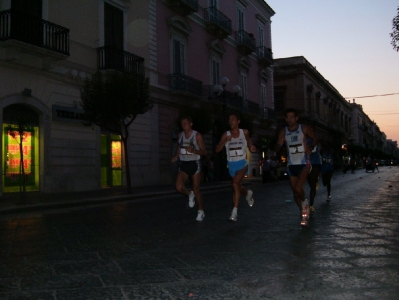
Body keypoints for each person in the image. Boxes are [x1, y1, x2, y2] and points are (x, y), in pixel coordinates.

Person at [274, 108, 317, 227]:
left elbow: (314, 139)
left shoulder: (304, 128)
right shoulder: (283, 131)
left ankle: (305, 205)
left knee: (298, 189)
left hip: (304, 163)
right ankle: (303, 211)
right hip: (291, 164)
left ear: (296, 118)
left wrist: (310, 148)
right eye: (288, 117)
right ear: (285, 119)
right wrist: (278, 145)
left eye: (292, 117)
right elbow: (277, 146)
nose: (290, 119)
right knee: (295, 194)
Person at [215, 112, 257, 221]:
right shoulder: (226, 134)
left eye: (233, 119)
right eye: (229, 120)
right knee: (237, 186)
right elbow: (217, 149)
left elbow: (248, 142)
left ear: (238, 121)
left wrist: (251, 147)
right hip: (231, 164)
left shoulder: (244, 132)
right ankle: (247, 194)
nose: (231, 121)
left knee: (234, 184)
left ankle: (234, 212)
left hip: (242, 163)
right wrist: (225, 141)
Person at [171, 116, 207, 221]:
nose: (184, 125)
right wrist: (176, 156)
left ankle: (201, 211)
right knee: (178, 187)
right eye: (182, 123)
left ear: (191, 124)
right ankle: (189, 194)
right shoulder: (180, 135)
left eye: (186, 123)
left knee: (196, 189)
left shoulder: (197, 136)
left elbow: (204, 151)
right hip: (183, 164)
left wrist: (194, 151)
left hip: (194, 163)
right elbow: (179, 146)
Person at [306, 125, 321, 216]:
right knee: (310, 182)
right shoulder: (304, 139)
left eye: (312, 129)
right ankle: (314, 182)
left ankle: (311, 204)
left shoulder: (316, 139)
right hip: (306, 163)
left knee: (312, 186)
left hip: (315, 163)